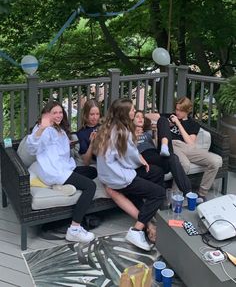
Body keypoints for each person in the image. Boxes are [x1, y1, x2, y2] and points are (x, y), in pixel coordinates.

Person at [93, 98, 166, 251]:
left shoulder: (109, 127)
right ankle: (137, 230)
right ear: (125, 114)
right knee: (159, 193)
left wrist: (140, 160)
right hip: (118, 177)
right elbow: (131, 160)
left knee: (156, 172)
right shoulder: (122, 133)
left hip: (109, 174)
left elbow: (124, 156)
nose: (135, 112)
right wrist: (140, 160)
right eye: (132, 110)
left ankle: (150, 213)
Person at [26, 100, 97, 243]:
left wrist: (66, 144)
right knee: (91, 186)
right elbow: (32, 147)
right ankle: (75, 229)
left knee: (91, 172)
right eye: (54, 113)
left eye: (60, 112)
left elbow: (55, 148)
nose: (58, 115)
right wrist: (41, 129)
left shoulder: (58, 128)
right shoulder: (44, 129)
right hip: (55, 171)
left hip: (65, 167)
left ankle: (59, 187)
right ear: (46, 115)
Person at [157, 97, 223, 202]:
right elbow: (150, 116)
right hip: (172, 145)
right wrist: (162, 121)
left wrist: (178, 124)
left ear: (187, 111)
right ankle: (175, 197)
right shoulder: (170, 116)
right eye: (176, 109)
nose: (177, 112)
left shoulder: (193, 124)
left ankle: (201, 194)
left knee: (215, 161)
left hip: (187, 147)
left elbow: (190, 142)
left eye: (180, 110)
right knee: (185, 164)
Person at [134, 110, 192, 196]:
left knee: (163, 120)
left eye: (142, 117)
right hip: (144, 155)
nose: (140, 118)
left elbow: (159, 124)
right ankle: (188, 192)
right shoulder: (127, 132)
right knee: (173, 158)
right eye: (137, 116)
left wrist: (158, 130)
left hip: (157, 153)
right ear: (132, 119)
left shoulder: (148, 131)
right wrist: (134, 136)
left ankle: (164, 147)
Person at [76, 99, 101, 165]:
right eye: (92, 114)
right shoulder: (81, 133)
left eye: (97, 114)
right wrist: (92, 143)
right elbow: (86, 162)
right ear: (85, 115)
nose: (95, 117)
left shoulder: (104, 127)